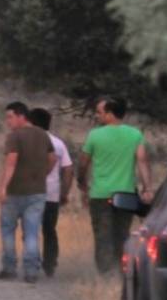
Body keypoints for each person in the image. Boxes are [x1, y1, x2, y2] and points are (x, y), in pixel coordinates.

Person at [77, 96, 153, 275]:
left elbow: (83, 163)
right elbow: (142, 161)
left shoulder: (95, 135)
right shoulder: (135, 134)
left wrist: (82, 181)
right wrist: (147, 188)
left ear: (110, 114)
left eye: (100, 112)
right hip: (126, 194)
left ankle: (105, 274)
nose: (97, 116)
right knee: (122, 234)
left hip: (100, 194)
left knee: (103, 236)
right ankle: (121, 272)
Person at [0, 102, 56, 284]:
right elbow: (52, 158)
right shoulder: (43, 135)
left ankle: (9, 268)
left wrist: (3, 188)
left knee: (8, 230)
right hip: (37, 192)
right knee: (31, 232)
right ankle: (31, 271)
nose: (8, 121)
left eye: (10, 117)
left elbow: (11, 163)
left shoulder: (14, 137)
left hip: (15, 192)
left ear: (21, 116)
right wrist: (42, 174)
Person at [27, 108, 73, 278]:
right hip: (52, 194)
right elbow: (68, 169)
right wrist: (65, 192)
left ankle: (32, 262)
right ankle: (50, 264)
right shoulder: (59, 143)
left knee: (30, 230)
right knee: (49, 230)